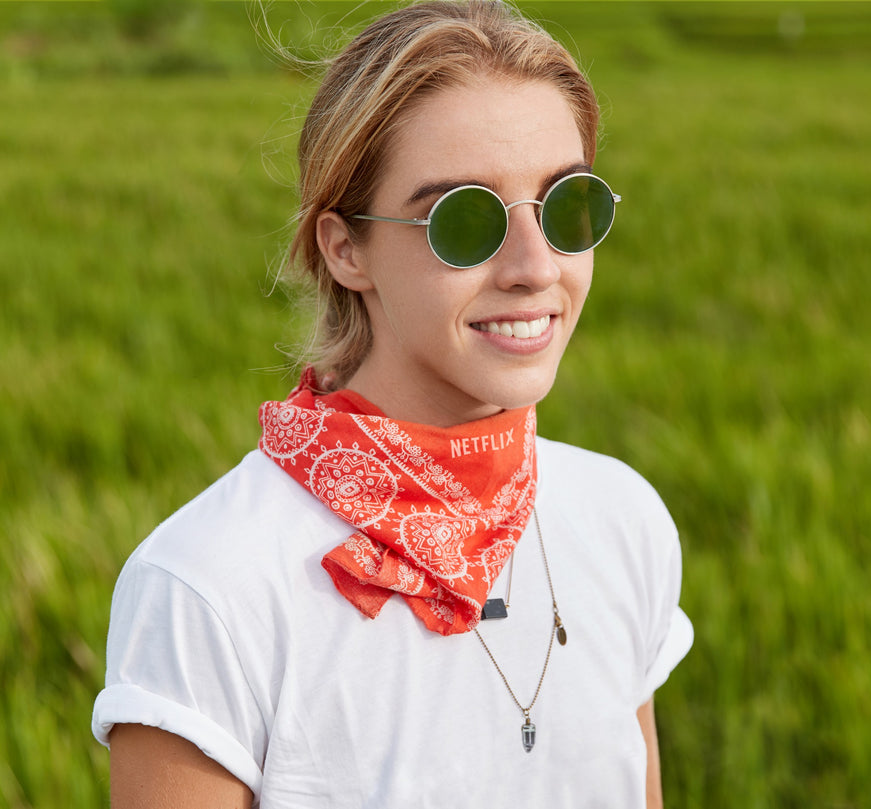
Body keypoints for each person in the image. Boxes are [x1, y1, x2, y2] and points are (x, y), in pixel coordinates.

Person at [90, 2, 693, 807]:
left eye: (566, 205)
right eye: (465, 219)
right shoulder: (210, 587)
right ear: (345, 248)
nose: (534, 266)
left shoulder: (624, 520)